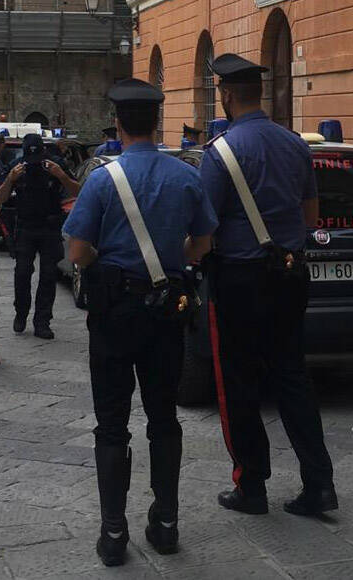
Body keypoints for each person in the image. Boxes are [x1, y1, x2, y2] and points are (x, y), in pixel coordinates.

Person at [63, 78, 217, 566]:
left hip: (113, 315)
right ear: (156, 122)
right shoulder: (185, 177)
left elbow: (78, 252)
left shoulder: (103, 180)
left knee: (111, 423)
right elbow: (203, 245)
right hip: (166, 313)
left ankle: (113, 532)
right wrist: (173, 259)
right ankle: (166, 523)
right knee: (164, 418)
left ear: (118, 125)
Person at [199, 53, 337, 518]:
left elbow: (205, 227)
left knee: (238, 383)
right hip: (290, 274)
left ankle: (252, 486)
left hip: (239, 278)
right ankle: (319, 484)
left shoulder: (219, 153)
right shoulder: (296, 146)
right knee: (293, 376)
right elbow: (311, 218)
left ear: (227, 95)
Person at [0, 134, 79, 340]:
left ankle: (42, 321)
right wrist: (10, 179)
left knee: (49, 276)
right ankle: (21, 314)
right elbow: (1, 197)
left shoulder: (55, 165)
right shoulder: (17, 166)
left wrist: (61, 176)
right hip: (25, 227)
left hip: (49, 226)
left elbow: (78, 190)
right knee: (22, 273)